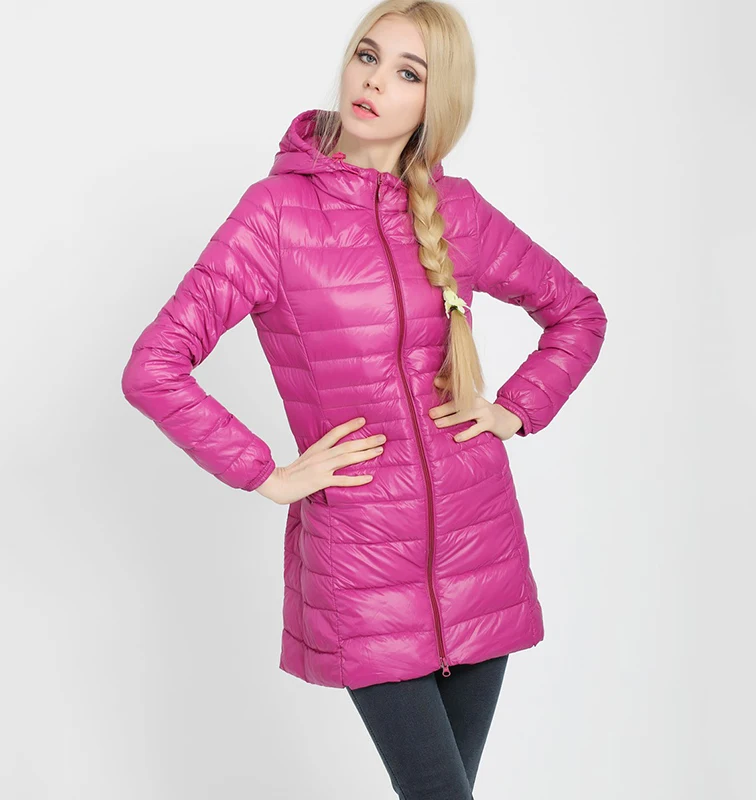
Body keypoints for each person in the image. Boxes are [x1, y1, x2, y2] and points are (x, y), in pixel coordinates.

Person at [121, 1, 607, 796]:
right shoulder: (274, 216)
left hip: (480, 553)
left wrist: (514, 409)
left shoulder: (458, 211)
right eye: (368, 56)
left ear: (436, 101)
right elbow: (156, 365)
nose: (374, 81)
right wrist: (266, 472)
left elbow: (578, 313)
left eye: (407, 72)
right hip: (361, 564)